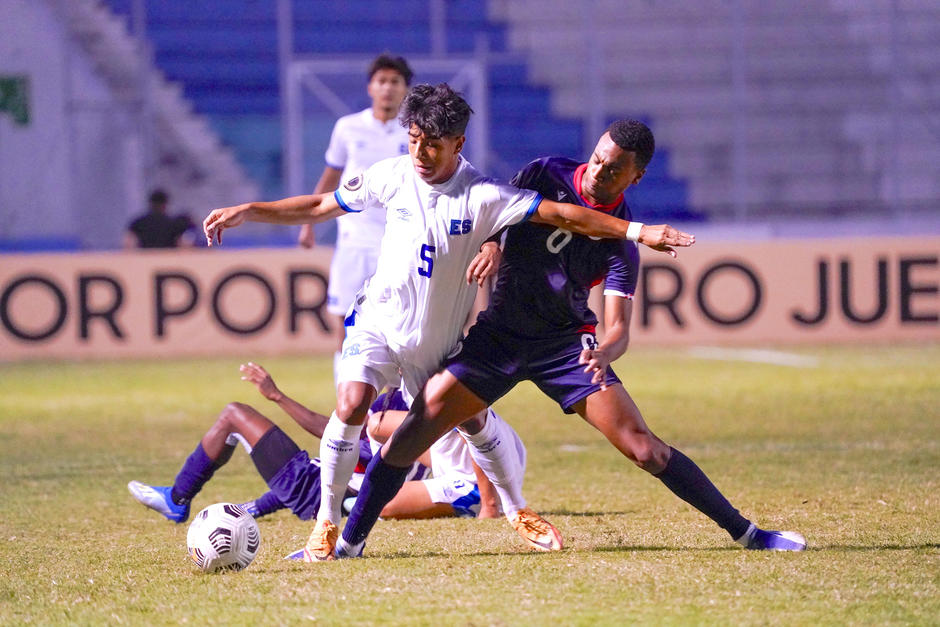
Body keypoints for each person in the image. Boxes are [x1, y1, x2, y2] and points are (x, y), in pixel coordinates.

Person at [202, 83, 693, 561]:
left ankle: (517, 509)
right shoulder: (390, 175)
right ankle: (325, 527)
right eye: (413, 140)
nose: (420, 153)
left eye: (432, 144)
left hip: (433, 341)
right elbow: (317, 205)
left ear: (458, 143)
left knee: (472, 421)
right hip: (377, 321)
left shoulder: (482, 195)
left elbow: (568, 216)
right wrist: (250, 210)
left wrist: (637, 231)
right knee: (351, 405)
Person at [334, 120, 806, 559]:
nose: (600, 170)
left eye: (615, 168)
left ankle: (748, 534)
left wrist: (607, 350)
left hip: (564, 349)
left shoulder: (621, 245)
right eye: (599, 157)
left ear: (635, 178)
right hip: (499, 336)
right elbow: (496, 211)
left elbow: (618, 326)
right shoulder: (545, 172)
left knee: (645, 448)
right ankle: (349, 545)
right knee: (412, 431)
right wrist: (492, 244)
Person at [127, 362, 522, 527]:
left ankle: (178, 499)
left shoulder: (408, 406)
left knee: (234, 415)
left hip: (328, 490)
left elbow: (336, 438)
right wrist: (253, 508)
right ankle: (186, 500)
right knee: (326, 471)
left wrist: (278, 397)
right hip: (327, 486)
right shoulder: (410, 400)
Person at [297, 54, 413, 378]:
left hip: (398, 243)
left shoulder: (414, 131)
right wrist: (309, 224)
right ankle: (345, 401)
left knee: (398, 324)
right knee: (344, 320)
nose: (387, 88)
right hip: (353, 241)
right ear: (370, 87)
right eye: (382, 81)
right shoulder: (347, 128)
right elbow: (329, 180)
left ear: (406, 89)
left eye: (395, 82)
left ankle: (392, 403)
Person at [124, 189, 195, 249]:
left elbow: (128, 243)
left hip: (145, 259)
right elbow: (183, 244)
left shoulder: (139, 222)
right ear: (165, 204)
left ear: (150, 204)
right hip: (169, 259)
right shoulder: (173, 223)